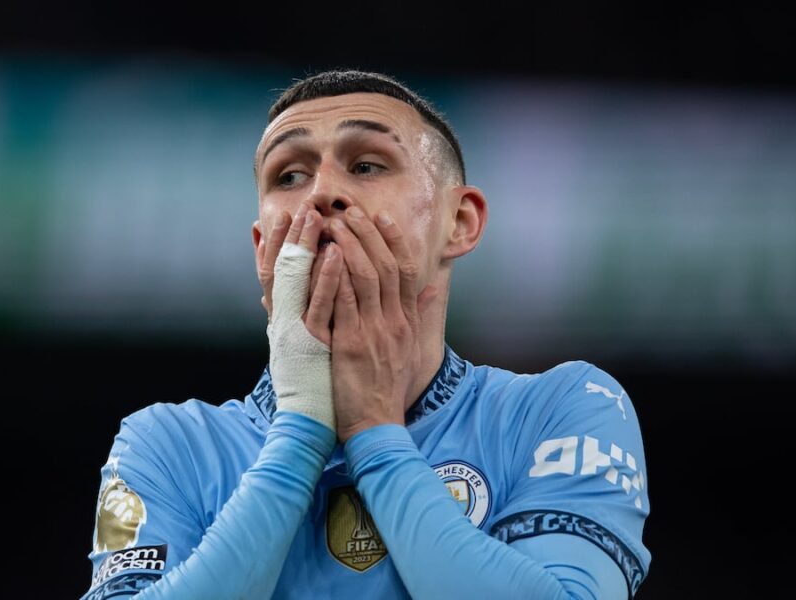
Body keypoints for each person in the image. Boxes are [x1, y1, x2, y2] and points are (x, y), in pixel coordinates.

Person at [81, 69, 651, 600]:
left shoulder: (560, 411)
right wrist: (299, 432)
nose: (321, 192)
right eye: (289, 175)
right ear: (261, 249)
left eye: (367, 166)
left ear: (459, 222)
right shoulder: (167, 446)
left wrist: (376, 432)